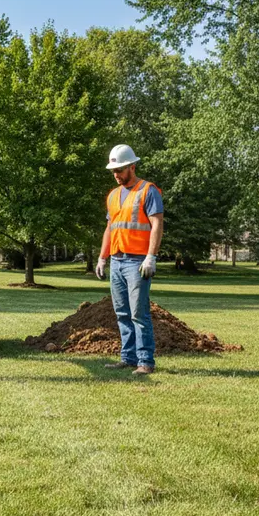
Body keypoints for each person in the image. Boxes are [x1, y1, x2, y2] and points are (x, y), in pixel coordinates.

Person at [95, 144, 164, 375]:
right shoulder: (113, 195)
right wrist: (102, 258)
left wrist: (151, 257)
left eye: (120, 170)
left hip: (137, 262)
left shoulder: (148, 191)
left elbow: (157, 224)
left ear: (132, 167)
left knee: (139, 313)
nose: (116, 175)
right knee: (122, 313)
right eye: (114, 171)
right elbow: (110, 228)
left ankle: (146, 362)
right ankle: (128, 358)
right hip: (117, 261)